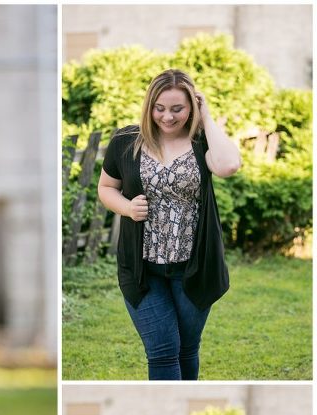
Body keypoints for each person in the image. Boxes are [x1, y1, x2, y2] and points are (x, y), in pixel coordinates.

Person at [98, 69, 242, 380]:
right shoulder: (125, 141)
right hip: (142, 270)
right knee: (162, 351)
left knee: (187, 349)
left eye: (178, 108)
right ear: (149, 105)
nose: (167, 117)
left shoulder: (202, 142)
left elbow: (229, 165)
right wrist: (127, 207)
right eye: (159, 108)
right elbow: (106, 188)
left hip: (194, 268)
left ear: (192, 107)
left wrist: (206, 116)